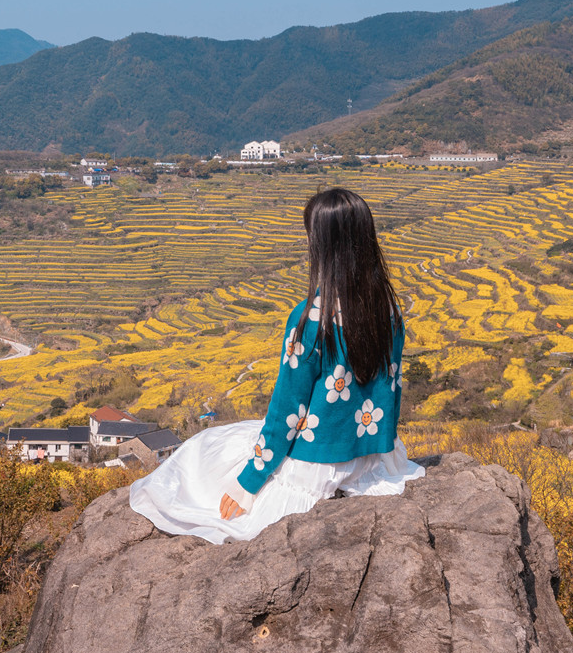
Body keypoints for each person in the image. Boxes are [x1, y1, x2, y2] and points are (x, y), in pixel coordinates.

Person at [128, 186, 423, 544]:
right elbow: (391, 393)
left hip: (318, 466)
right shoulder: (388, 310)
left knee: (203, 451)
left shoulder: (312, 319)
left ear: (323, 247)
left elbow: (288, 410)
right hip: (372, 459)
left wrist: (248, 483)